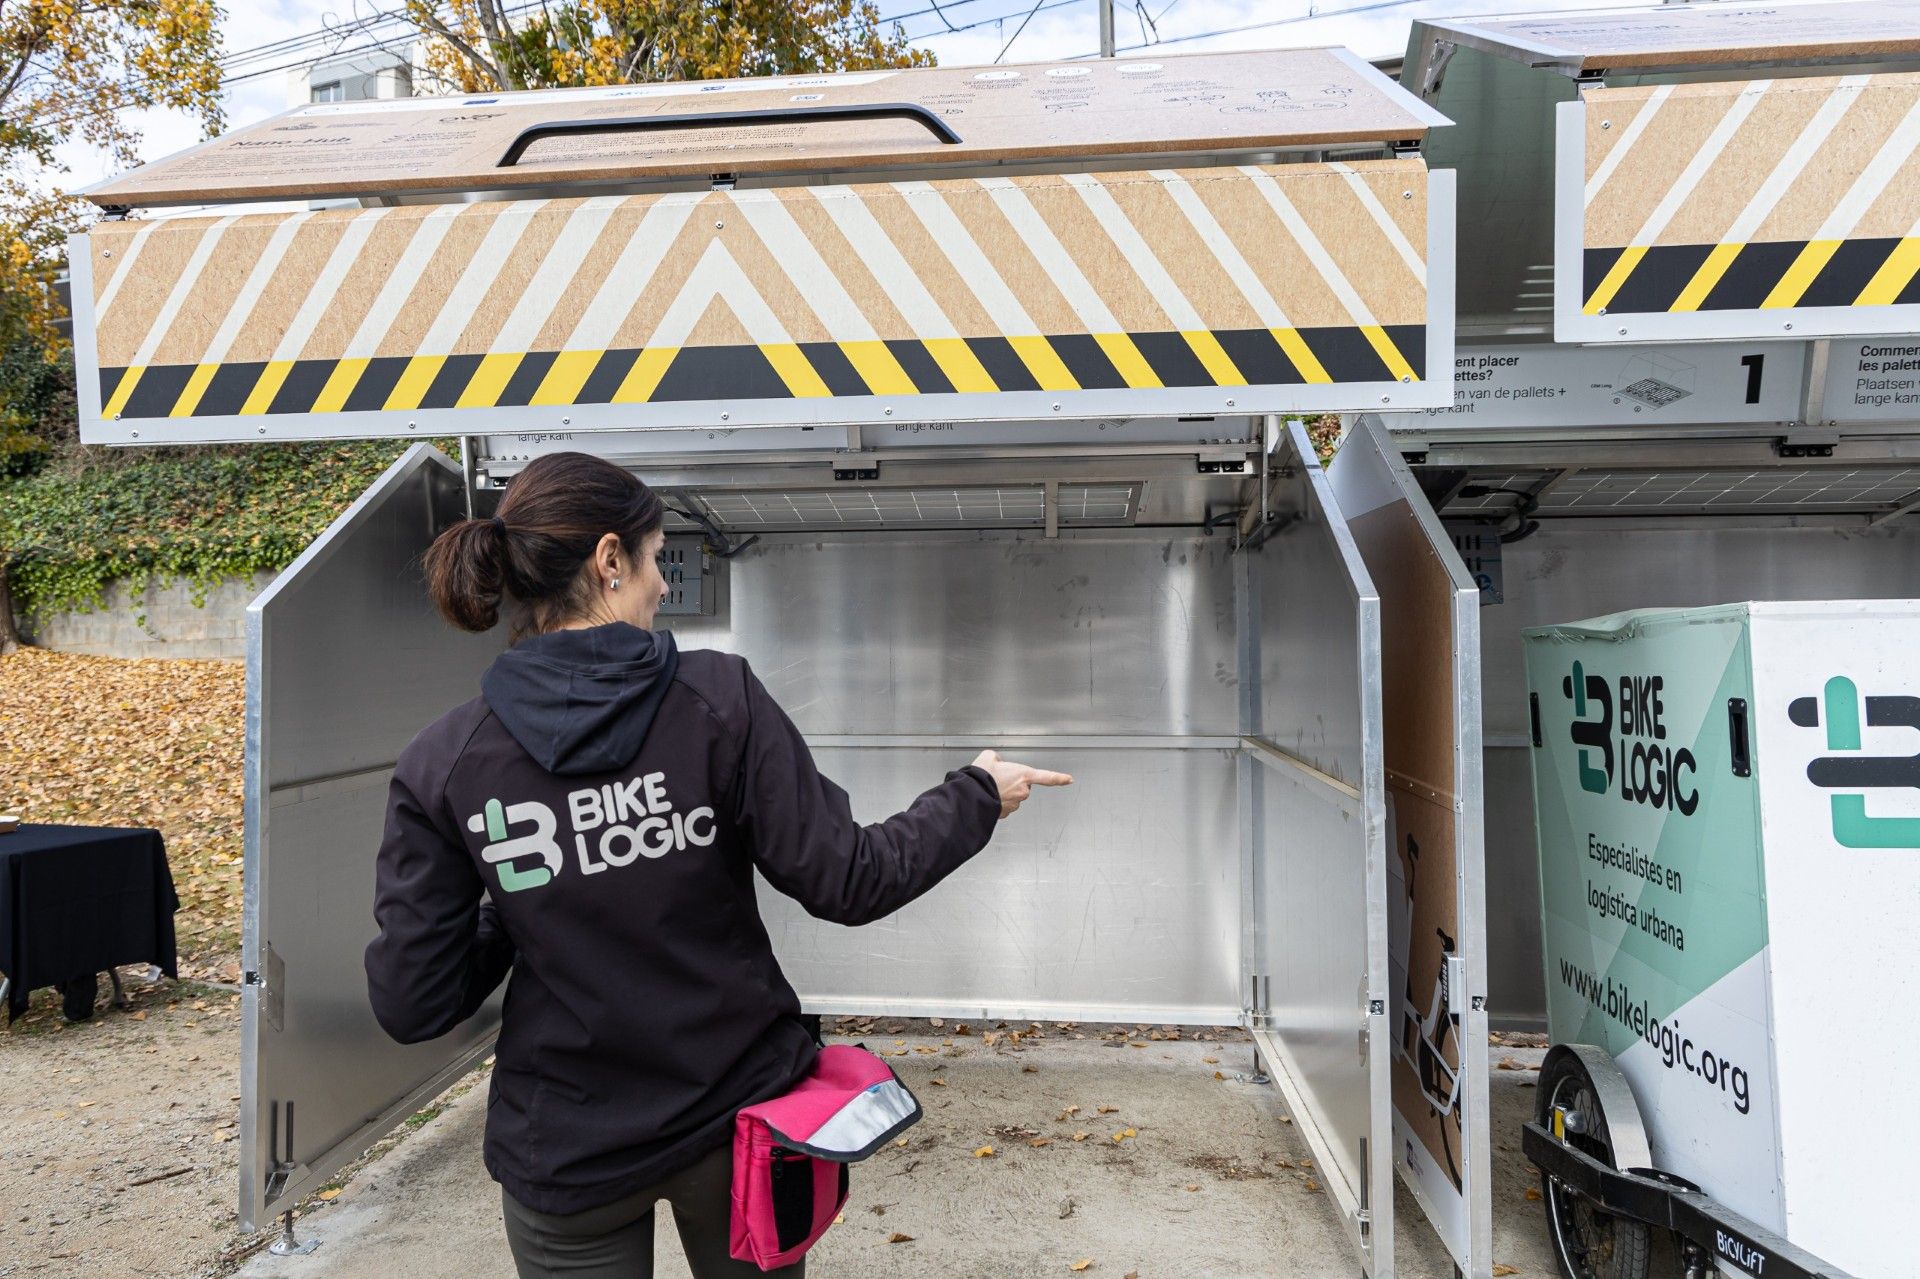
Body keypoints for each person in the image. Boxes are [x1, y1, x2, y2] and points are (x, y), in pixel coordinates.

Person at [363, 451, 1070, 1279]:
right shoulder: (719, 700)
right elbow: (851, 878)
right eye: (659, 557)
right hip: (736, 1118)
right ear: (610, 560)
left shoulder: (445, 758)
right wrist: (976, 793)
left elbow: (415, 998)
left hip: (566, 1143)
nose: (664, 584)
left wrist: (527, 893)